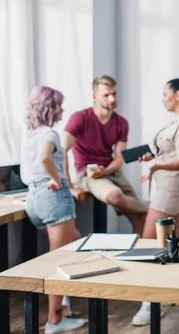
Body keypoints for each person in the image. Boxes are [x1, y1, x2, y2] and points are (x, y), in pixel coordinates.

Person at [131, 77, 179, 326]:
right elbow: (173, 152)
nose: (162, 99)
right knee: (172, 244)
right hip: (170, 184)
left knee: (149, 242)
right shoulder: (178, 121)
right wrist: (155, 156)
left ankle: (149, 302)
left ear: (178, 95)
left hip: (172, 186)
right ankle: (167, 294)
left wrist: (156, 166)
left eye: (165, 94)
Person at [20, 86, 85, 333]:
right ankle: (54, 320)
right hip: (54, 197)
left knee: (76, 243)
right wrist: (58, 180)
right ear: (50, 107)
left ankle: (63, 302)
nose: (63, 110)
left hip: (34, 199)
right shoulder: (50, 133)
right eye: (59, 105)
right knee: (59, 260)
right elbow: (45, 159)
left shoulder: (30, 133)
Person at [61, 75, 148, 234]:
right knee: (116, 196)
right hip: (87, 175)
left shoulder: (121, 123)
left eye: (114, 93)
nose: (112, 98)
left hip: (111, 172)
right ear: (95, 97)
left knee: (140, 220)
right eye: (106, 95)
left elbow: (120, 157)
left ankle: (140, 254)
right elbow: (61, 151)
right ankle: (151, 211)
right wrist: (69, 187)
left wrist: (106, 170)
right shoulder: (79, 118)